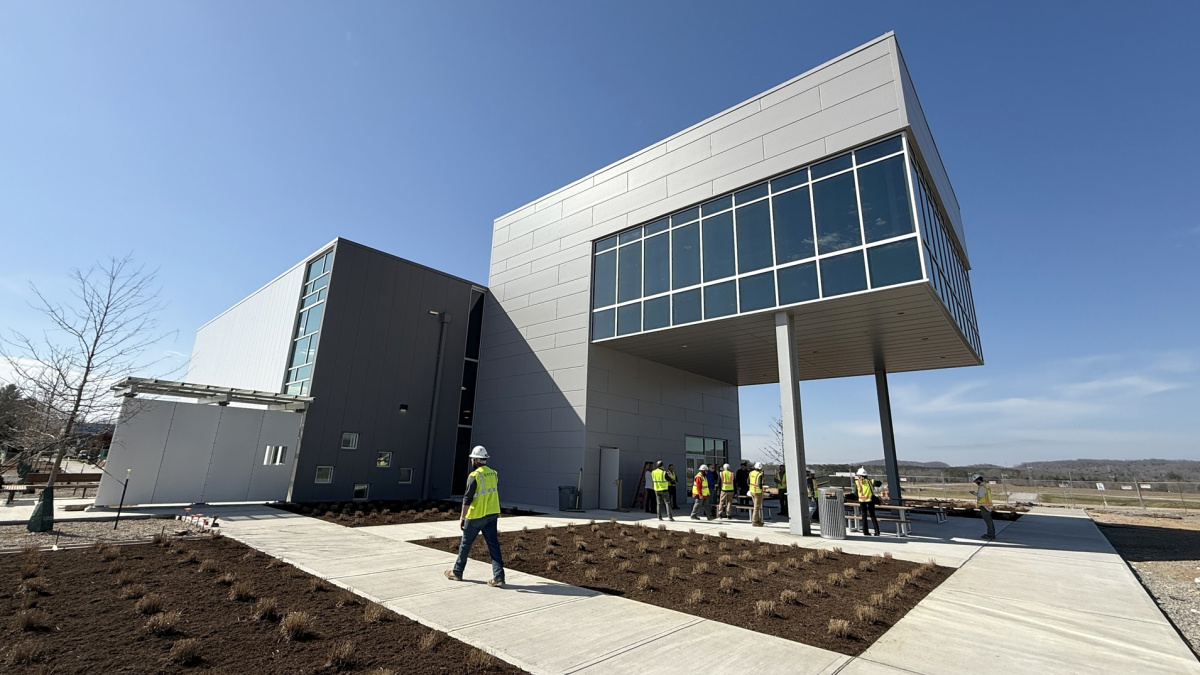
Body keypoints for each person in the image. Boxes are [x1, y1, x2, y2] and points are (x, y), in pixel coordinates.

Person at [445, 446, 505, 587]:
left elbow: (467, 498)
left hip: (476, 516)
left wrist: (462, 517)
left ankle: (457, 572)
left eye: (472, 459)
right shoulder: (494, 473)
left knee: (465, 545)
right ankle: (499, 577)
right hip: (492, 514)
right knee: (493, 546)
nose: (471, 461)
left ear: (477, 460)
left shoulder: (475, 476)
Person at [854, 467, 880, 536]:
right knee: (872, 515)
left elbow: (855, 492)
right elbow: (879, 483)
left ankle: (865, 532)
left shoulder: (857, 482)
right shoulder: (870, 481)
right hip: (870, 500)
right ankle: (877, 532)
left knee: (864, 515)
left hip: (862, 500)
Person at [971, 474, 996, 539]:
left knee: (988, 521)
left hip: (984, 506)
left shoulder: (982, 487)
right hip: (988, 505)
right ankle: (991, 533)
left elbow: (980, 495)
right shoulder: (986, 486)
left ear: (978, 480)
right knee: (989, 521)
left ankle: (990, 535)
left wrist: (974, 493)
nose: (975, 483)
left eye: (975, 481)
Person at [748, 462, 765, 526]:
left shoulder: (751, 473)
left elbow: (748, 482)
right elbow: (760, 484)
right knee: (757, 507)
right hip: (758, 492)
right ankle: (755, 521)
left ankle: (757, 520)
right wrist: (762, 491)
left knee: (755, 506)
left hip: (752, 491)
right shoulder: (759, 474)